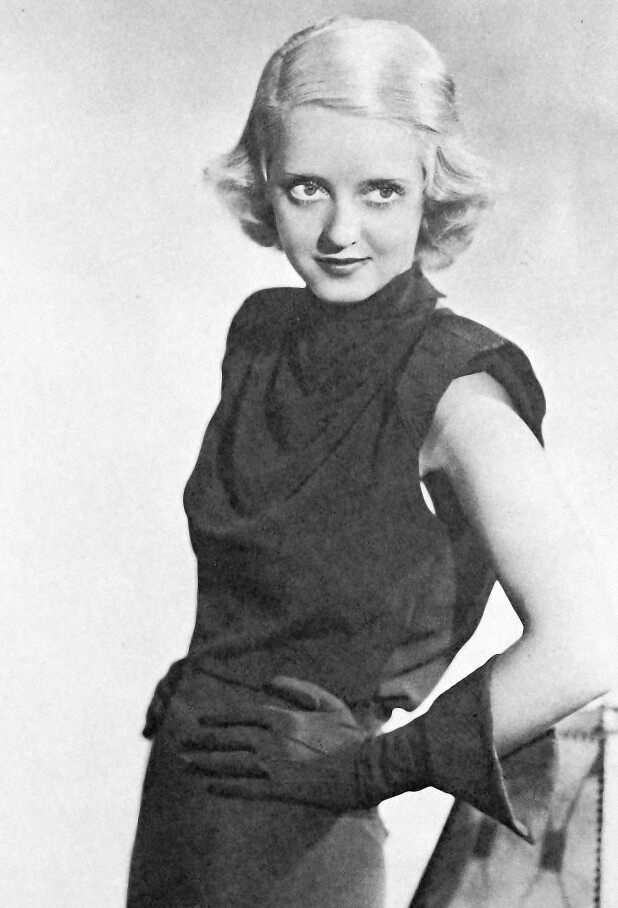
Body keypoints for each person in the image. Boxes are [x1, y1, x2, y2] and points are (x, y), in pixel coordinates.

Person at [126, 16, 615, 908]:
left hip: (300, 836)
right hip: (182, 804)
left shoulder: (458, 392)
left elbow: (585, 642)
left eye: (381, 191)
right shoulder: (261, 335)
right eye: (306, 188)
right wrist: (207, 681)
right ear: (265, 182)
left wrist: (372, 767)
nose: (339, 230)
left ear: (433, 190)